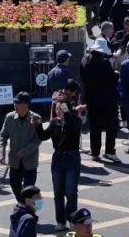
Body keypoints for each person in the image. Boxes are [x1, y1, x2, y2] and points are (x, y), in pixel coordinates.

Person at [41, 82, 85, 232]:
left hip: (72, 157)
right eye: (57, 107)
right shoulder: (54, 123)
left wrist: (68, 114)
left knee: (71, 192)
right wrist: (37, 125)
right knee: (58, 192)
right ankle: (60, 221)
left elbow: (73, 129)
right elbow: (43, 136)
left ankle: (72, 220)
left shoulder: (75, 120)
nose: (58, 109)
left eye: (61, 107)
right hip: (58, 158)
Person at [0, 92, 44, 203]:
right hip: (14, 160)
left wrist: (25, 150)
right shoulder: (9, 117)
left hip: (30, 161)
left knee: (29, 188)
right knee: (14, 184)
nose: (15, 105)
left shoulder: (36, 118)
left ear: (26, 106)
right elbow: (3, 136)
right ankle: (23, 205)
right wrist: (1, 152)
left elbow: (38, 139)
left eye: (18, 104)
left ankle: (28, 208)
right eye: (15, 103)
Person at [80, 39, 120, 162]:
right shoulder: (104, 62)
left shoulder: (84, 61)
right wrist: (116, 74)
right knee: (111, 126)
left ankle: (95, 152)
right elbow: (112, 81)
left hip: (91, 99)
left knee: (94, 127)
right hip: (107, 99)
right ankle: (109, 151)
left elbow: (82, 78)